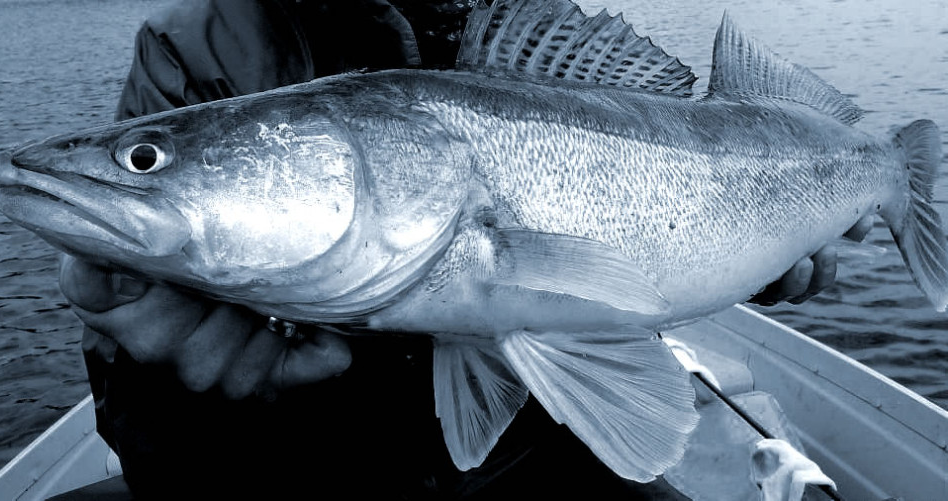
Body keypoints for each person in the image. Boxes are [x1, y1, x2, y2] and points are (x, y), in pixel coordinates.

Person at [58, 0, 874, 498]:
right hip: (299, 472)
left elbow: (637, 263)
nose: (139, 175)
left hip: (542, 460)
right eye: (147, 162)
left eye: (144, 160)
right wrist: (162, 384)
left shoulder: (536, 31)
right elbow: (151, 424)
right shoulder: (190, 47)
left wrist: (752, 258)